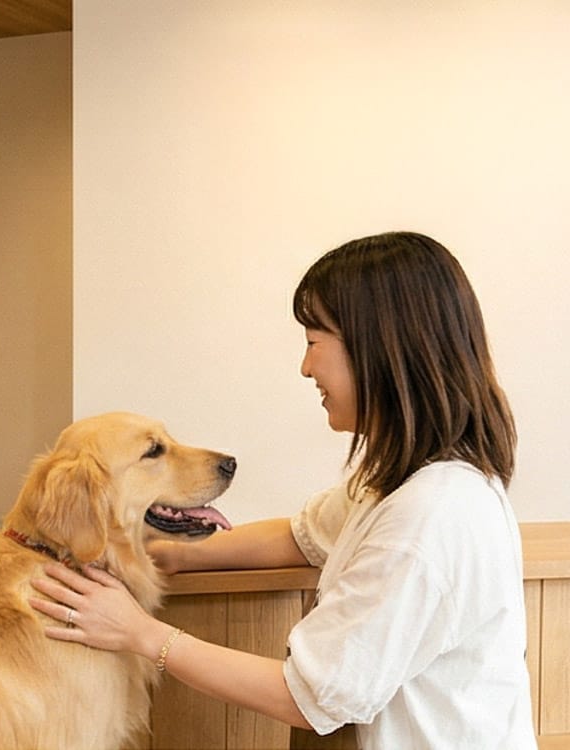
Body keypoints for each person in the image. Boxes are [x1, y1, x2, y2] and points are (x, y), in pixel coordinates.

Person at [30, 231, 536, 749]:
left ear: (380, 349)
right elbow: (301, 537)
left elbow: (308, 697)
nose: (305, 366)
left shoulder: (430, 515)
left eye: (315, 342)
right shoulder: (399, 481)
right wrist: (168, 556)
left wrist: (142, 633)